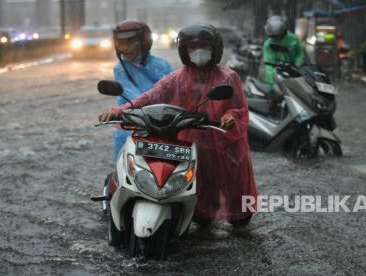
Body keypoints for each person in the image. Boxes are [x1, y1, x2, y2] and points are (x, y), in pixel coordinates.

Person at [99, 24, 258, 227]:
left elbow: (239, 107)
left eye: (203, 46)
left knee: (237, 198)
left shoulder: (228, 78)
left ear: (215, 49)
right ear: (184, 51)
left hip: (224, 143)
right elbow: (151, 96)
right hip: (193, 142)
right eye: (192, 47)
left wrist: (230, 117)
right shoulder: (177, 78)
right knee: (200, 200)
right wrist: (117, 112)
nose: (198, 52)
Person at [111, 20, 174, 161]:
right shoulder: (120, 68)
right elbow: (134, 96)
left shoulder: (161, 65)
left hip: (163, 122)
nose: (124, 48)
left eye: (129, 42)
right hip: (131, 123)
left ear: (143, 42)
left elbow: (176, 90)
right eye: (121, 43)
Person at [263, 15, 304, 85]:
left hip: (295, 73)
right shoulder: (268, 45)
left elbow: (300, 54)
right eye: (273, 36)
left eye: (277, 36)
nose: (275, 39)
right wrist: (272, 80)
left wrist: (297, 66)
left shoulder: (293, 39)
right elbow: (269, 65)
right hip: (278, 75)